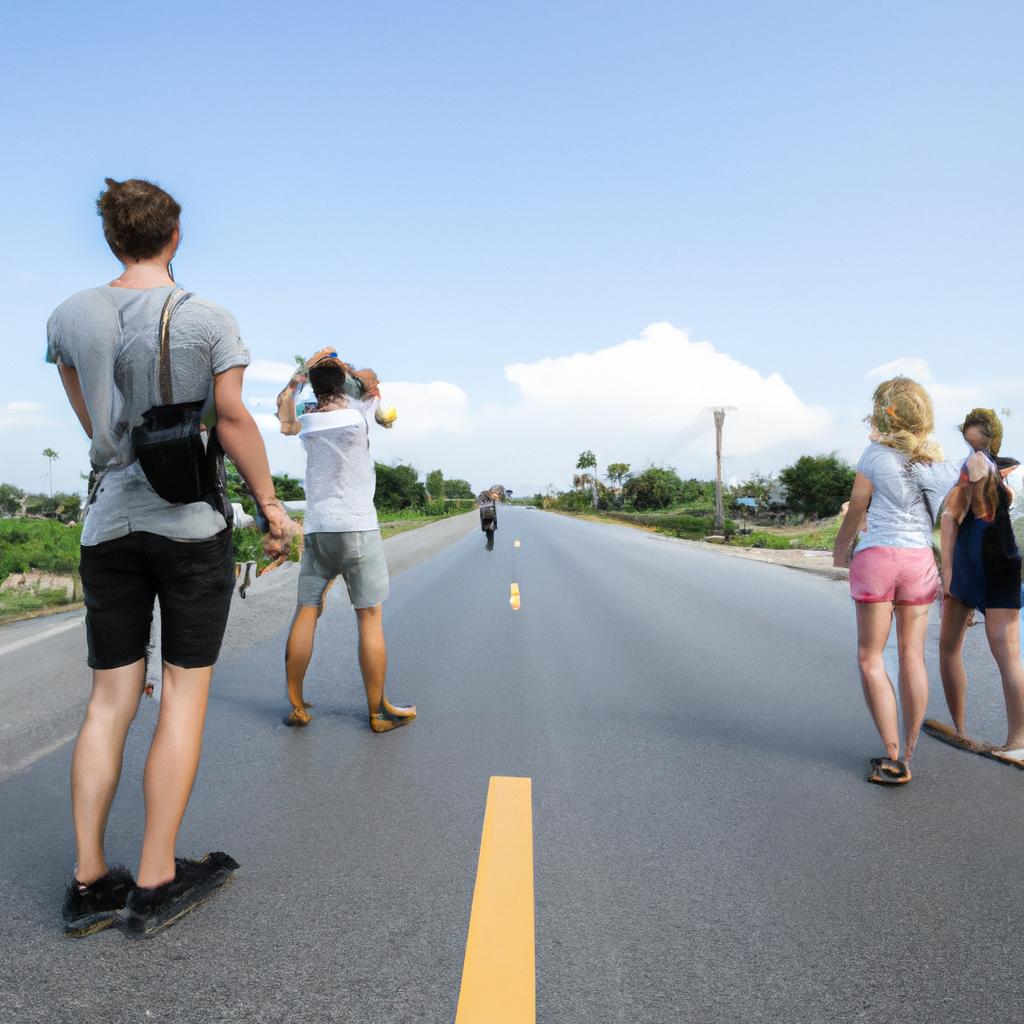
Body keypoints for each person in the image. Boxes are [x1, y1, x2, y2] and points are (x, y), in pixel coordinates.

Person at [49, 178, 295, 938]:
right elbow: (229, 418)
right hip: (189, 527)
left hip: (108, 526)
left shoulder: (71, 315)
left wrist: (116, 448)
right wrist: (270, 505)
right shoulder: (206, 318)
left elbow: (82, 399)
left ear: (110, 238)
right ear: (175, 236)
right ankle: (156, 877)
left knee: (108, 703)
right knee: (182, 698)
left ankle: (90, 880)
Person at [276, 349, 415, 732]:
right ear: (343, 384)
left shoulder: (305, 422)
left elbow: (282, 413)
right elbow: (372, 380)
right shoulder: (358, 414)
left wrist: (298, 378)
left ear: (314, 387)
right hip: (357, 528)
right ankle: (377, 712)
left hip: (319, 530)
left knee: (307, 610)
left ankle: (297, 703)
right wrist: (349, 370)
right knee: (369, 618)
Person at [833, 377, 951, 785]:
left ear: (886, 412)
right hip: (920, 562)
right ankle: (912, 749)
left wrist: (840, 548)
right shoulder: (935, 461)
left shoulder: (873, 455)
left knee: (870, 657)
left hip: (879, 558)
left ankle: (891, 754)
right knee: (912, 655)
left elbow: (855, 512)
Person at [938, 409, 1024, 751]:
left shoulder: (971, 464)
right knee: (1010, 656)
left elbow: (950, 518)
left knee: (948, 648)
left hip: (972, 564)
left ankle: (960, 729)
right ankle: (1018, 741)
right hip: (1006, 561)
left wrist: (947, 572)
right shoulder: (1011, 473)